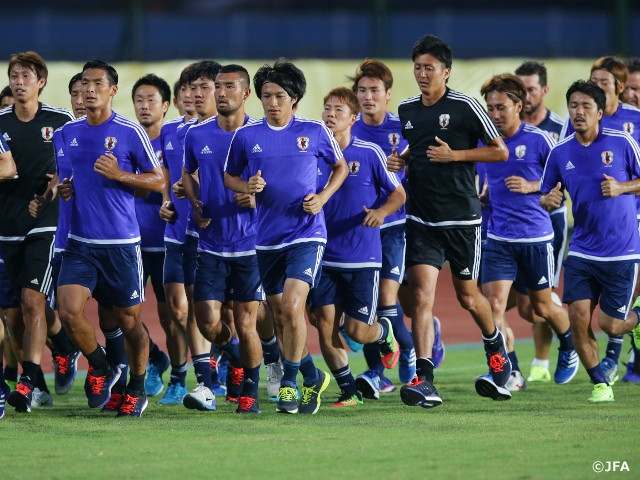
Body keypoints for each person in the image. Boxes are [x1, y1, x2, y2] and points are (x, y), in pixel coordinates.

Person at [387, 34, 511, 407]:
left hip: (461, 219)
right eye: (418, 67)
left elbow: (499, 151)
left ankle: (496, 348)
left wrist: (455, 155)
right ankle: (424, 378)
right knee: (422, 296)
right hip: (421, 217)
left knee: (468, 297)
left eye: (430, 68)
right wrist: (404, 159)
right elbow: (419, 140)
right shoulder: (408, 109)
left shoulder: (466, 106)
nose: (422, 74)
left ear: (446, 71)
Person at [225, 58, 348, 414]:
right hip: (265, 239)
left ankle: (290, 384)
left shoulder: (314, 132)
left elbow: (339, 167)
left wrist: (323, 196)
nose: (272, 102)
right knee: (280, 317)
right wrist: (247, 185)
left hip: (306, 233)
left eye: (279, 95)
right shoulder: (246, 136)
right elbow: (229, 177)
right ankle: (312, 376)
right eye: (266, 96)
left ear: (294, 98)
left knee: (295, 307)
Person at [55, 60, 165, 417]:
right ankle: (100, 366)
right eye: (84, 83)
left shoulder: (129, 132)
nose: (89, 89)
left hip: (120, 245)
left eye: (97, 83)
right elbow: (72, 179)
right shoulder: (69, 132)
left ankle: (136, 386)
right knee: (69, 310)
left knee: (129, 322)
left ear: (112, 90)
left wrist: (119, 174)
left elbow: (158, 181)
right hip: (81, 242)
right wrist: (67, 189)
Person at [477, 73, 578, 396]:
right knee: (492, 304)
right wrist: (481, 195)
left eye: (501, 107)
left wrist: (533, 187)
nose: (494, 114)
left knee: (540, 309)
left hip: (535, 238)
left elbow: (564, 179)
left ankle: (569, 345)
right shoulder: (485, 142)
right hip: (498, 238)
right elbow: (481, 179)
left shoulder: (538, 140)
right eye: (490, 107)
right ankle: (507, 372)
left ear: (518, 105)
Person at [540, 80, 640, 403]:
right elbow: (545, 194)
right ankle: (600, 383)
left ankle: (637, 320)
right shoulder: (559, 152)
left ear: (600, 112)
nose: (578, 112)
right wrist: (549, 200)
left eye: (586, 107)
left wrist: (623, 188)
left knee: (611, 325)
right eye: (573, 106)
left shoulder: (623, 142)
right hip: (582, 248)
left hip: (622, 250)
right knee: (578, 318)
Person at [349, 59, 442, 400]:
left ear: (388, 94)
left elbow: (427, 162)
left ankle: (407, 353)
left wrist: (406, 163)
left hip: (396, 225)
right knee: (368, 306)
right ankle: (380, 372)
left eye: (374, 90)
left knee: (388, 299)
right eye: (362, 90)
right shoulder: (347, 128)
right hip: (357, 230)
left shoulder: (404, 126)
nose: (367, 96)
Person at [312, 86, 405, 407]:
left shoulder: (369, 153)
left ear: (353, 118)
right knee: (324, 327)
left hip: (362, 258)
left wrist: (381, 212)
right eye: (327, 108)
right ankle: (349, 391)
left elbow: (398, 194)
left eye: (338, 110)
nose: (330, 115)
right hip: (323, 256)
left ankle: (383, 334)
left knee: (357, 332)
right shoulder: (311, 152)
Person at [183, 64, 266, 413]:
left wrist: (258, 196)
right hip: (212, 243)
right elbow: (187, 172)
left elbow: (281, 182)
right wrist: (195, 201)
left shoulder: (262, 134)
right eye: (217, 86)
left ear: (245, 93)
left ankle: (250, 389)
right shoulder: (197, 134)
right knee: (207, 322)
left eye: (229, 86)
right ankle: (233, 354)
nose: (220, 92)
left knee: (248, 323)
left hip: (251, 245)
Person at [0, 51, 76, 413]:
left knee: (32, 301)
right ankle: (62, 349)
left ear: (41, 81)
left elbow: (72, 165)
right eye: (14, 75)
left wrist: (51, 192)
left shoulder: (59, 121)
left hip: (46, 220)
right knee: (14, 313)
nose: (18, 81)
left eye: (26, 75)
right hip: (7, 224)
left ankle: (27, 382)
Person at [515, 61, 567, 383]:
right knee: (526, 307)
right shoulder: (507, 127)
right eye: (521, 89)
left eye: (532, 88)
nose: (526, 95)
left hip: (548, 223)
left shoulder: (560, 130)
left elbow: (565, 176)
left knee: (539, 299)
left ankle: (542, 361)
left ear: (545, 90)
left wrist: (532, 187)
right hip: (507, 225)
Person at [130, 73, 174, 398]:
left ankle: (189, 374)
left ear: (166, 105)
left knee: (171, 315)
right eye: (139, 100)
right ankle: (156, 358)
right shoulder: (124, 140)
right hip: (129, 242)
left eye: (151, 100)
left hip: (165, 242)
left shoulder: (172, 142)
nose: (144, 106)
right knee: (120, 313)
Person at [156, 66, 198, 405]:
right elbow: (166, 176)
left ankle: (226, 361)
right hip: (175, 233)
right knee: (176, 309)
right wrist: (167, 202)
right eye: (183, 89)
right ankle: (180, 378)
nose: (189, 94)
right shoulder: (169, 130)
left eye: (195, 88)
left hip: (211, 234)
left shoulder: (230, 129)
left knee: (217, 311)